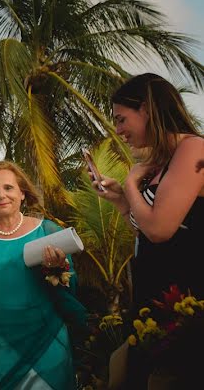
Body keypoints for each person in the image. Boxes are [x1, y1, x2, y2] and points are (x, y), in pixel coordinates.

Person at [99, 74, 204, 388]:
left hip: (185, 304)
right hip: (153, 301)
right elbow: (146, 234)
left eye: (121, 119)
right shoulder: (160, 163)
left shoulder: (194, 149)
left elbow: (159, 229)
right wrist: (122, 202)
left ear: (145, 109)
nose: (118, 130)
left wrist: (131, 183)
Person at [0, 162, 86, 390]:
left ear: (22, 193)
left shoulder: (48, 232)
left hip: (47, 342)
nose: (1, 195)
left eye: (8, 188)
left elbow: (71, 290)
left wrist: (56, 269)